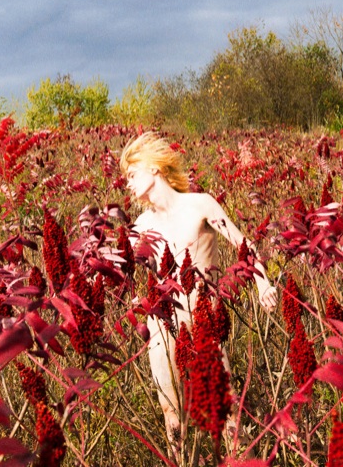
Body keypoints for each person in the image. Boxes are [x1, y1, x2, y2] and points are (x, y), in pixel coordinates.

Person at [119, 132, 278, 444]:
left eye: (132, 174)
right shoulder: (140, 227)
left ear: (154, 168)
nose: (128, 183)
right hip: (163, 330)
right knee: (172, 416)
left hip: (204, 322)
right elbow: (127, 278)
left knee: (227, 409)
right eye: (126, 178)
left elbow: (241, 244)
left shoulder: (199, 205)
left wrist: (263, 283)